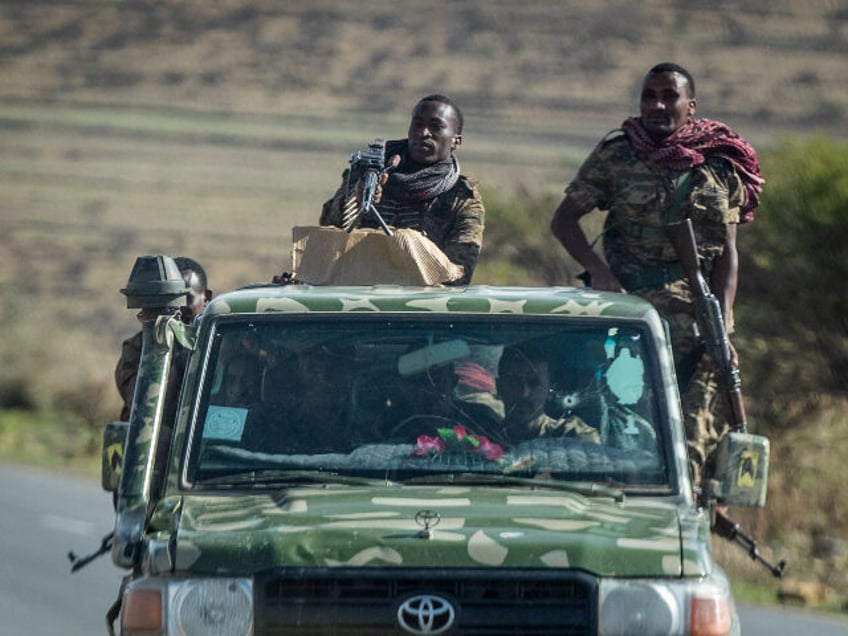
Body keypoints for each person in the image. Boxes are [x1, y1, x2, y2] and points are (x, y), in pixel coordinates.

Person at [549, 62, 764, 486]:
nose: (658, 105)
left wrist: (721, 323)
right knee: (623, 433)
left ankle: (686, 516)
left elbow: (727, 253)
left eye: (669, 96)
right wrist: (599, 273)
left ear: (691, 105)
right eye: (649, 96)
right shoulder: (617, 155)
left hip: (695, 320)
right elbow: (564, 221)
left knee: (694, 441)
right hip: (629, 318)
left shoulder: (720, 166)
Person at [319, 94, 485, 285]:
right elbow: (328, 230)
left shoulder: (462, 197)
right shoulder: (370, 172)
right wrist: (357, 198)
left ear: (456, 141)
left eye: (436, 126)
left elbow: (458, 274)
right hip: (356, 291)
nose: (423, 133)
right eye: (418, 124)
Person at [114, 256, 212, 420]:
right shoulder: (138, 348)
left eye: (185, 298)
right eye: (171, 301)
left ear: (206, 298)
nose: (177, 309)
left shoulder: (217, 346)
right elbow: (143, 405)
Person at [495, 345, 600, 445]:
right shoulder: (485, 436)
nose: (524, 394)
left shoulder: (573, 434)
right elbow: (477, 444)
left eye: (534, 383)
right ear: (499, 387)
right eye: (514, 382)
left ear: (550, 391)